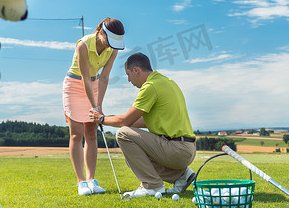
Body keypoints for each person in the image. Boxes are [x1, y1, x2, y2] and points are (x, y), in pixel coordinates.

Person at [89, 52, 196, 198]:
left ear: (136, 70)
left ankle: (152, 186)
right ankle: (181, 176)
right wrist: (109, 119)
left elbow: (125, 122)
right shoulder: (166, 82)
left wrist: (101, 119)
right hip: (185, 149)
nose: (128, 79)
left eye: (128, 74)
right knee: (133, 147)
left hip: (176, 150)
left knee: (123, 134)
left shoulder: (150, 86)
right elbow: (137, 122)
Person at [63, 17, 125, 196]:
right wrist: (93, 106)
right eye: (108, 40)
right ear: (101, 33)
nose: (109, 46)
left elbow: (104, 77)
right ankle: (81, 182)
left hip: (95, 84)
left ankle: (91, 179)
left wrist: (99, 105)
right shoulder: (83, 45)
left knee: (91, 133)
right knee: (77, 134)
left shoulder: (113, 49)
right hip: (74, 85)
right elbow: (84, 78)